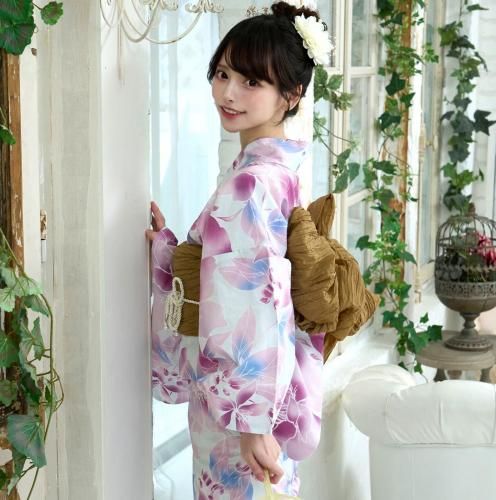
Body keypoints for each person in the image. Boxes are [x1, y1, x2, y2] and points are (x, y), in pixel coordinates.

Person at [146, 2, 333, 497]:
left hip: (241, 416)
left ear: (290, 95)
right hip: (264, 398)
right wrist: (168, 250)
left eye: (252, 82)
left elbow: (252, 304)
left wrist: (252, 421)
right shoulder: (279, 173)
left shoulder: (250, 184)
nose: (228, 93)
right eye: (223, 73)